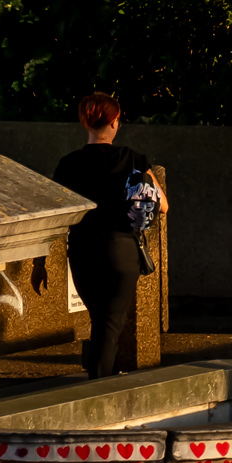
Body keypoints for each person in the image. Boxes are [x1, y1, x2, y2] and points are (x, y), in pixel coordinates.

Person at [49, 90, 156, 380]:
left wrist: (38, 263)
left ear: (86, 123)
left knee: (100, 320)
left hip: (82, 251)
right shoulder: (132, 159)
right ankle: (98, 392)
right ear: (114, 122)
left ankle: (102, 383)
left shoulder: (68, 164)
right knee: (110, 324)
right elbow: (163, 205)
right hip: (121, 248)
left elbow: (53, 215)